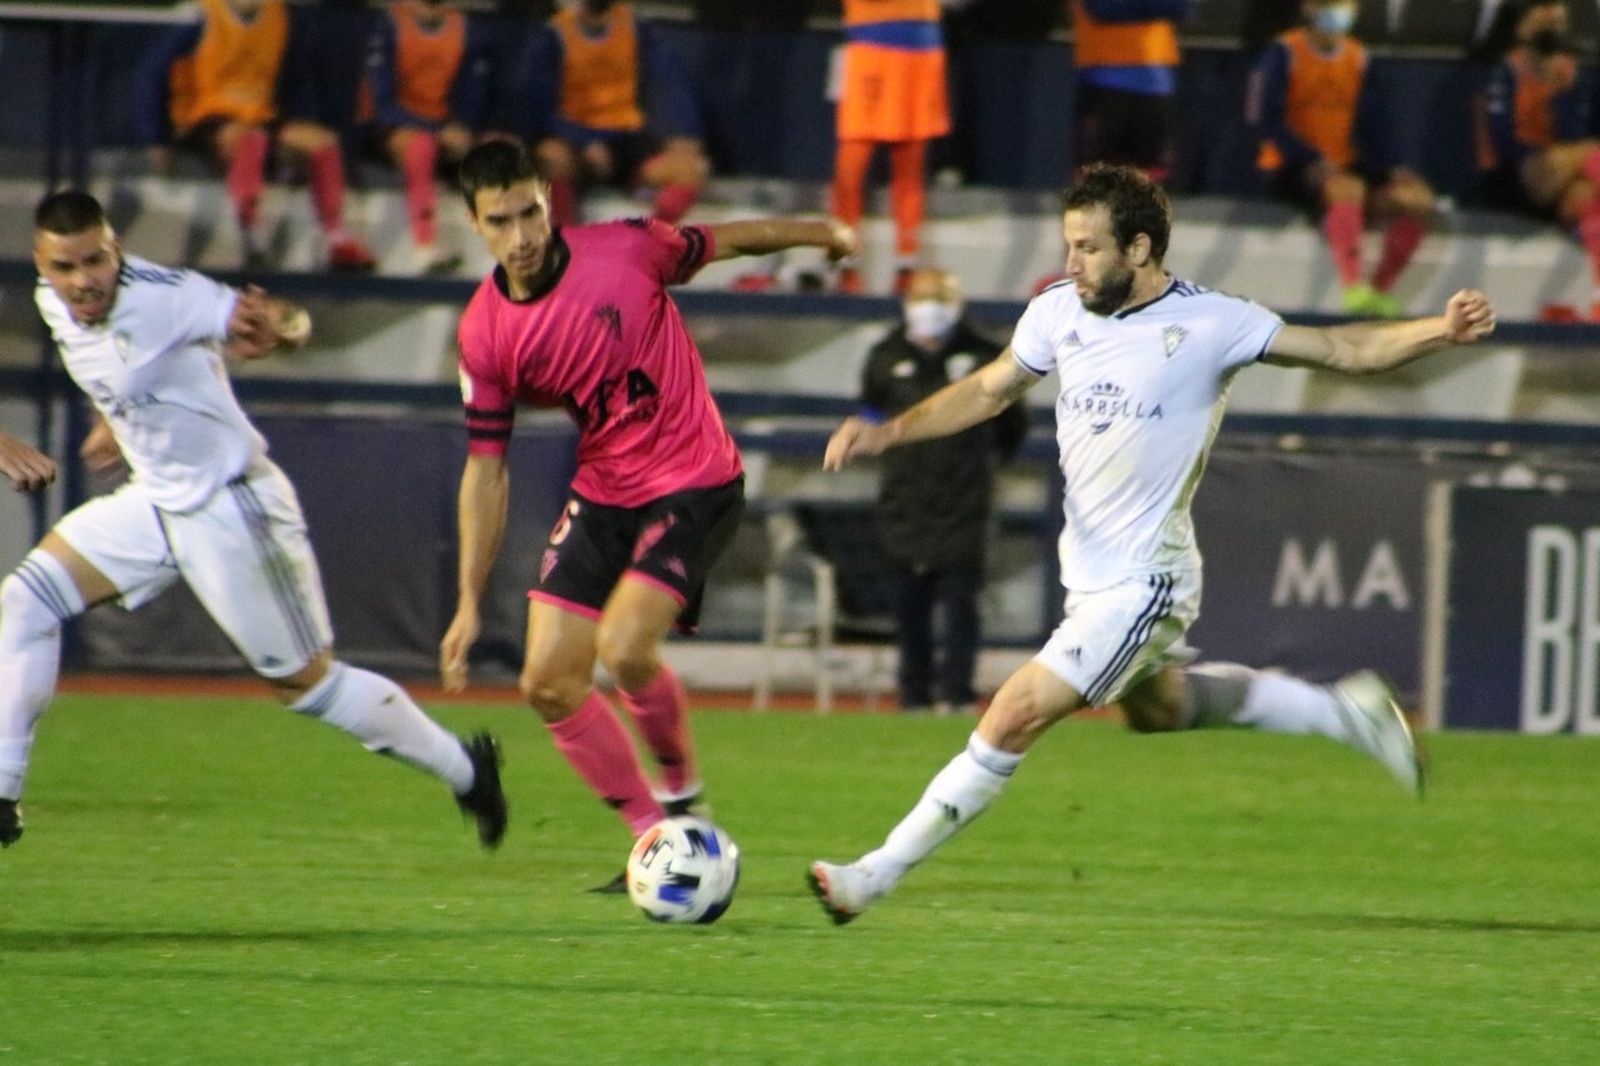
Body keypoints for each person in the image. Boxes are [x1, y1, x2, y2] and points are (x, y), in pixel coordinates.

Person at [809, 164, 1496, 924]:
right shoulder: (1055, 314)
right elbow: (987, 389)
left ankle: (870, 876)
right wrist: (890, 432)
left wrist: (1440, 328)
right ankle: (1347, 714)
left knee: (1012, 714)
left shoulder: (1212, 323)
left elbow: (1343, 351)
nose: (1071, 264)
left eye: (1087, 247)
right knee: (1159, 711)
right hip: (1092, 580)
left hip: (1147, 580)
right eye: (1068, 245)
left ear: (1139, 249)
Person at [0, 190, 506, 851]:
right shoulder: (54, 305)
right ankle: (3, 793)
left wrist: (281, 325)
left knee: (306, 683)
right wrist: (112, 424)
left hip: (232, 504)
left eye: (95, 261)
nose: (83, 280)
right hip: (156, 500)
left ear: (116, 251)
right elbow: (127, 372)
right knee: (25, 600)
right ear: (42, 267)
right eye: (65, 267)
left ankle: (468, 770)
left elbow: (275, 322)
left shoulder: (170, 294)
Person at [440, 140, 855, 889]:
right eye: (500, 221)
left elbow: (725, 241)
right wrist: (470, 602)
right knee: (546, 681)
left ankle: (687, 806)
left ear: (549, 200)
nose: (523, 235)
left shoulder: (627, 250)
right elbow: (485, 470)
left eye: (531, 212)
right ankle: (655, 839)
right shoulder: (484, 334)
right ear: (474, 225)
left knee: (627, 646)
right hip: (606, 491)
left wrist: (817, 230)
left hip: (696, 476)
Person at [859, 267, 1027, 714]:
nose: (927, 308)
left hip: (963, 499)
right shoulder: (885, 355)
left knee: (959, 603)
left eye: (937, 298)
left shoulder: (985, 356)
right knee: (909, 605)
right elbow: (872, 413)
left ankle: (956, 694)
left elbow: (1012, 424)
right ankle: (913, 694)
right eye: (919, 298)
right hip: (904, 497)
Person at [134, 0, 378, 271]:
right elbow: (152, 73)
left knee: (322, 142)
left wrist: (294, 131)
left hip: (261, 114)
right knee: (251, 140)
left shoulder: (279, 16)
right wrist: (156, 137)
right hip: (207, 116)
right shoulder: (201, 14)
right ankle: (251, 234)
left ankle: (335, 236)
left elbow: (297, 80)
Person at [1248, 0, 1434, 318]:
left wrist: (1394, 169)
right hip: (1291, 165)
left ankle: (1379, 290)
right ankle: (1352, 288)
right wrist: (1308, 158)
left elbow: (1375, 124)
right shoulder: (1284, 52)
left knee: (1416, 201)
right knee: (1348, 189)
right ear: (1309, 8)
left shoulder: (1358, 57)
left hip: (1344, 164)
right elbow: (1263, 118)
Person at [530, 0, 710, 230]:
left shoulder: (638, 30)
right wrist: (583, 141)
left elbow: (668, 84)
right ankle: (565, 240)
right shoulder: (554, 34)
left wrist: (681, 134)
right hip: (576, 145)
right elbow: (539, 107)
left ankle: (653, 238)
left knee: (692, 169)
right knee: (552, 157)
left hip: (629, 142)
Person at [1475, 0, 1600, 321]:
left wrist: (1559, 93)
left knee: (1583, 196)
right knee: (1589, 154)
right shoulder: (1505, 70)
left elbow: (1573, 134)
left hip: (1563, 177)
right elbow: (1504, 144)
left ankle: (1597, 295)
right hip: (1516, 178)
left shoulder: (1570, 72)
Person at [362, 0, 497, 274]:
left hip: (446, 126)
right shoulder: (389, 26)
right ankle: (425, 248)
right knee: (421, 147)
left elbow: (475, 92)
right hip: (397, 126)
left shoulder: (467, 30)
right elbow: (382, 103)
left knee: (498, 150)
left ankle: (503, 252)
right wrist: (435, 130)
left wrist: (462, 127)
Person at [830, 0, 951, 295]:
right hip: (866, 50)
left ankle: (906, 268)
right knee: (848, 173)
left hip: (920, 49)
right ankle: (846, 266)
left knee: (909, 170)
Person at [1070, 0, 1189, 181]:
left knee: (1152, 174)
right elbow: (1103, 9)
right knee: (1098, 174)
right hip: (1103, 79)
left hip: (1156, 81)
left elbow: (1181, 7)